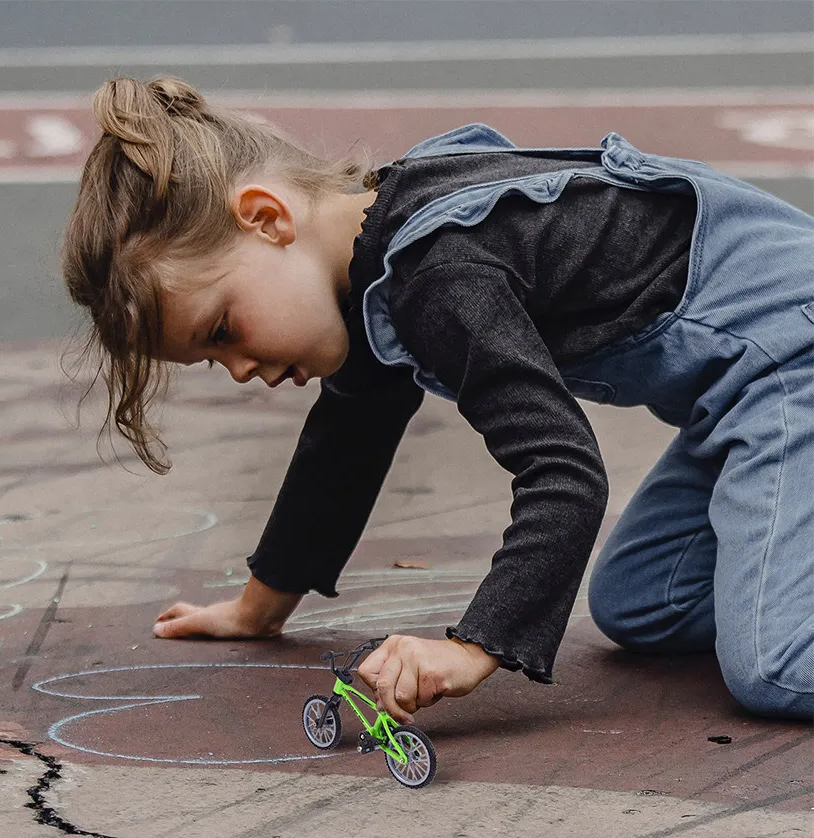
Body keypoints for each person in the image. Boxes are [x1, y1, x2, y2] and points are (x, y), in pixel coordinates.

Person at [62, 76, 814, 724]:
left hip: (791, 363)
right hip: (741, 396)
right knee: (643, 604)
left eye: (221, 329)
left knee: (775, 666)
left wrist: (473, 646)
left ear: (267, 218)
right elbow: (348, 437)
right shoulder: (380, 252)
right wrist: (260, 606)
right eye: (210, 357)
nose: (237, 368)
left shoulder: (440, 273)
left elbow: (562, 469)